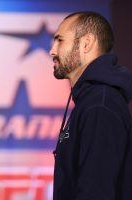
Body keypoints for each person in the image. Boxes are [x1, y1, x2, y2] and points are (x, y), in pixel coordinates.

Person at [50, 11, 132, 200]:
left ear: (86, 43)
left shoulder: (100, 105)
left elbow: (96, 192)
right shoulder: (91, 101)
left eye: (60, 40)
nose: (52, 50)